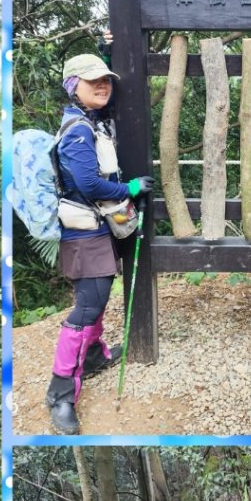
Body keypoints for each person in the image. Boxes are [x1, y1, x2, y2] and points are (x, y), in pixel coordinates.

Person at [45, 53, 153, 435]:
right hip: (83, 233)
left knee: (98, 299)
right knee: (87, 305)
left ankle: (92, 355)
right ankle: (60, 392)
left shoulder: (89, 122)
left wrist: (109, 49)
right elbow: (89, 184)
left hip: (95, 229)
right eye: (93, 82)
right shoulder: (77, 130)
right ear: (73, 86)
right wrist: (131, 189)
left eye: (105, 80)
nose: (103, 86)